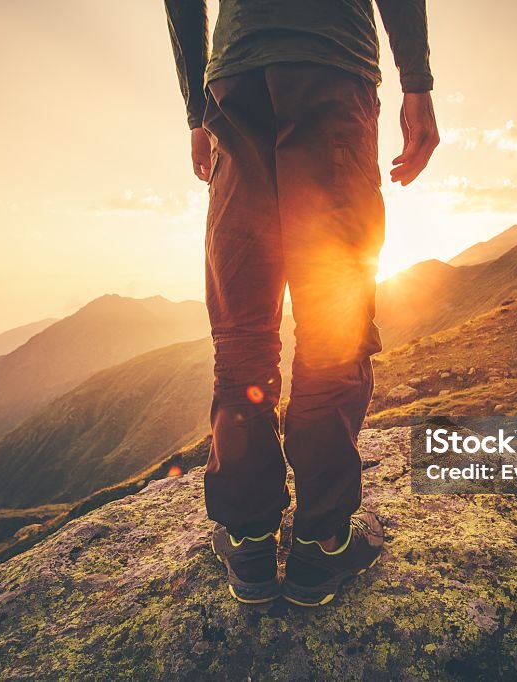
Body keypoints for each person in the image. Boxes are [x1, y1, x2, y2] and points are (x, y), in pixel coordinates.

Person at [165, 0, 438, 607]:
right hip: (330, 64)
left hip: (236, 82)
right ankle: (323, 544)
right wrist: (416, 84)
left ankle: (250, 536)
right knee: (333, 321)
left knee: (242, 329)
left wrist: (196, 112)